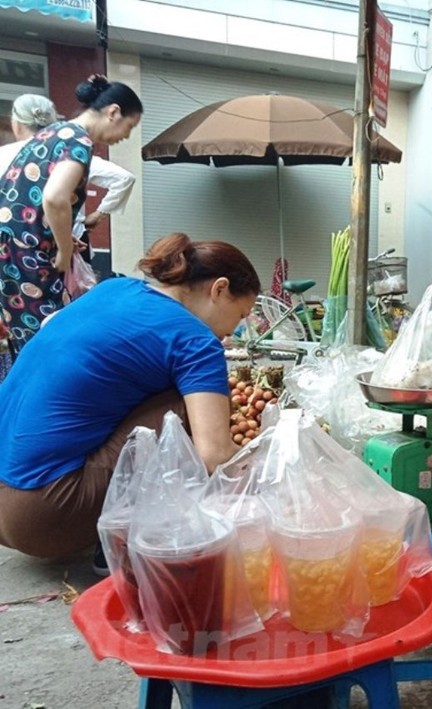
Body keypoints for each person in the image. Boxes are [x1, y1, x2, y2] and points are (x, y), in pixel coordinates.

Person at [0, 232, 259, 561]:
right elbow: (214, 454)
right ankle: (127, 541)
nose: (234, 331)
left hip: (11, 503)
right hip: (41, 516)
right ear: (219, 289)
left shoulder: (113, 288)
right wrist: (269, 466)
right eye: (240, 315)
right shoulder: (195, 340)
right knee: (184, 404)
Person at [0, 76, 142, 358]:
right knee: (48, 342)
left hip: (12, 248)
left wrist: (60, 237)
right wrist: (64, 251)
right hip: (27, 253)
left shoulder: (52, 132)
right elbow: (55, 197)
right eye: (129, 126)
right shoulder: (78, 141)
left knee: (27, 338)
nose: (126, 136)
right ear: (113, 112)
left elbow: (27, 197)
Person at [0, 93, 137, 264]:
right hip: (56, 246)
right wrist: (99, 215)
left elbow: (53, 199)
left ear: (16, 124)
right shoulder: (68, 148)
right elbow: (124, 178)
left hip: (15, 248)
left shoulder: (6, 154)